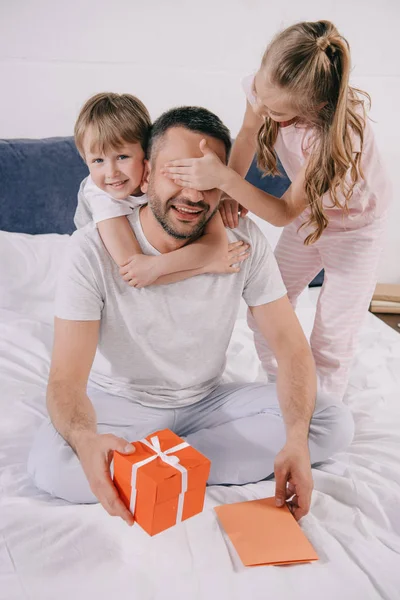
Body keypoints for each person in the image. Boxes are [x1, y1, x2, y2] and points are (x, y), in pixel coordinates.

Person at [28, 106, 354, 525]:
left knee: (330, 422)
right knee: (50, 466)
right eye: (177, 174)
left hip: (206, 401)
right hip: (121, 403)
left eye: (208, 178)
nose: (194, 195)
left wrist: (293, 439)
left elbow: (291, 348)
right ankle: (185, 463)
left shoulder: (240, 242)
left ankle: (161, 466)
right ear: (145, 175)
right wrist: (85, 438)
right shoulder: (91, 250)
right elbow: (66, 380)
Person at [162, 20, 391, 402]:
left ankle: (320, 415)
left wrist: (224, 179)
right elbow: (249, 135)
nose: (263, 109)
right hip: (309, 221)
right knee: (266, 307)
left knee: (331, 337)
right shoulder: (263, 90)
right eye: (262, 99)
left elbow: (283, 211)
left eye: (276, 111)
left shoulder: (335, 137)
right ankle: (284, 391)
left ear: (313, 107)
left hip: (355, 232)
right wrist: (229, 188)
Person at [74, 92, 242, 289]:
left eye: (122, 157)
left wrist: (226, 195)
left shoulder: (167, 180)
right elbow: (135, 274)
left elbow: (216, 246)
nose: (111, 173)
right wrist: (203, 267)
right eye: (98, 161)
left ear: (147, 153)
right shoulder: (100, 195)